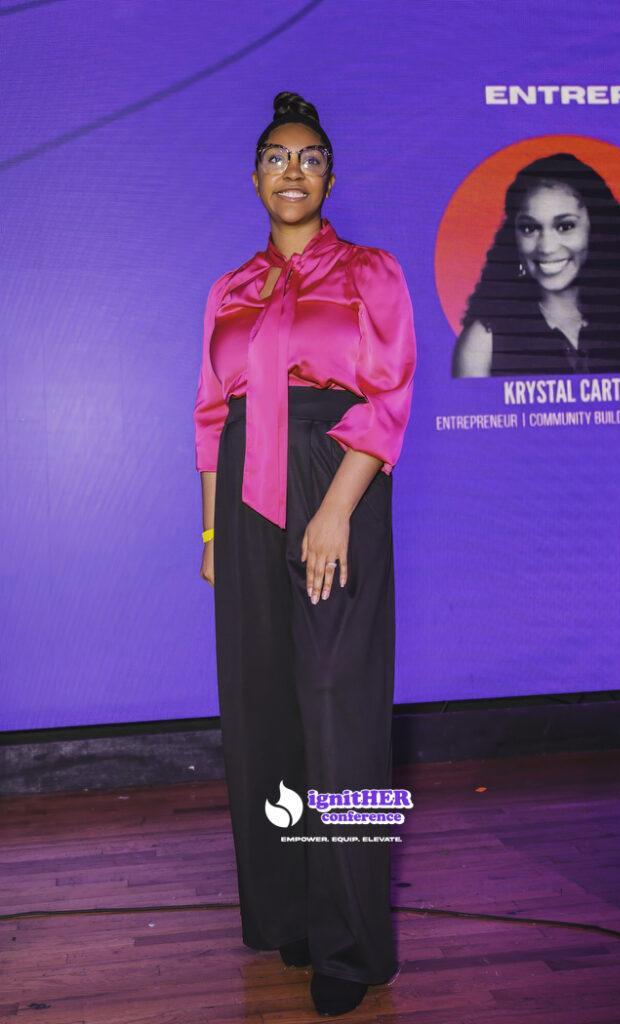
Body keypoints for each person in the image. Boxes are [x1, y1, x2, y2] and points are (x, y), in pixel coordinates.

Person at [193, 91, 416, 1017]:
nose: (293, 171)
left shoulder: (370, 271)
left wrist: (332, 512)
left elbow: (388, 396)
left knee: (337, 711)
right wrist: (213, 533)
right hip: (244, 494)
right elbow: (211, 417)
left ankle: (352, 945)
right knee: (262, 709)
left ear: (329, 177)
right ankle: (288, 911)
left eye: (310, 158)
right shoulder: (229, 288)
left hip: (336, 479)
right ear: (254, 179)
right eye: (277, 158)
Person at [453, 152, 620, 376]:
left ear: (598, 229)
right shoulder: (483, 342)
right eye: (529, 228)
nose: (546, 247)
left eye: (565, 226)